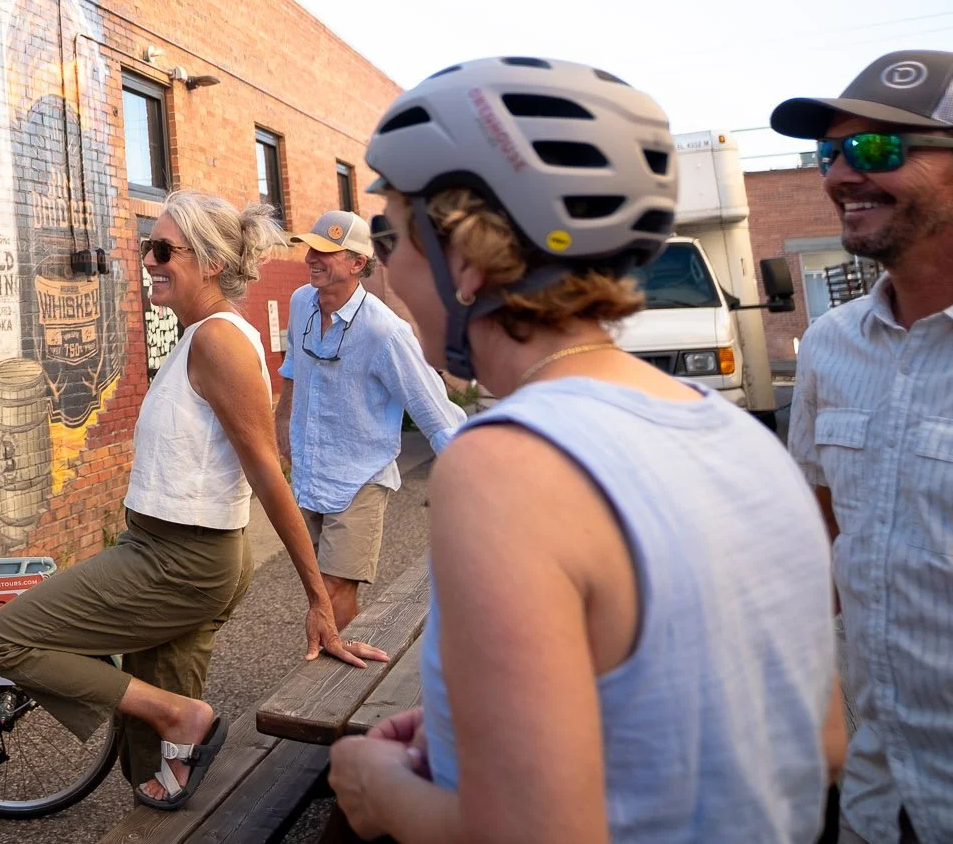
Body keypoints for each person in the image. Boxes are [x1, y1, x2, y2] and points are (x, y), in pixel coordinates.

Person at [327, 57, 842, 843]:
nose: (388, 265)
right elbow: (824, 740)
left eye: (391, 234)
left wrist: (377, 788)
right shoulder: (739, 434)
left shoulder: (506, 463)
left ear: (464, 257)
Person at [0, 189, 386, 812]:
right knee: (153, 764)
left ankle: (183, 715)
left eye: (163, 248)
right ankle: (176, 738)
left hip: (179, 559)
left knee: (3, 641)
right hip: (168, 547)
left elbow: (268, 473)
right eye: (147, 246)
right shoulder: (194, 337)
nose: (148, 260)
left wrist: (317, 599)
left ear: (211, 261)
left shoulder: (219, 341)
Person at [771, 49, 953, 844]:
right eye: (830, 152)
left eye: (879, 149)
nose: (844, 173)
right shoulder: (828, 347)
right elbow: (822, 543)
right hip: (880, 799)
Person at [283, 210, 465, 627]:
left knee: (333, 588)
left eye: (327, 252)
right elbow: (293, 365)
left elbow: (435, 414)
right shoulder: (299, 304)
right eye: (312, 247)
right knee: (316, 589)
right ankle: (332, 660)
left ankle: (330, 685)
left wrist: (471, 482)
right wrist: (282, 424)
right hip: (309, 471)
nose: (313, 256)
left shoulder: (386, 332)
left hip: (361, 477)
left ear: (358, 263)